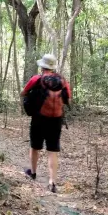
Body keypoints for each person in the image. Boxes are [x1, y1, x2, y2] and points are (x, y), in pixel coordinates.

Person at [20, 54, 71, 193]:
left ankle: (33, 172)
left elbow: (23, 92)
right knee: (52, 151)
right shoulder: (62, 80)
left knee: (35, 146)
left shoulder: (37, 79)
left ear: (42, 66)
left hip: (39, 118)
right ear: (53, 67)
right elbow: (68, 99)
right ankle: (52, 182)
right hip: (56, 120)